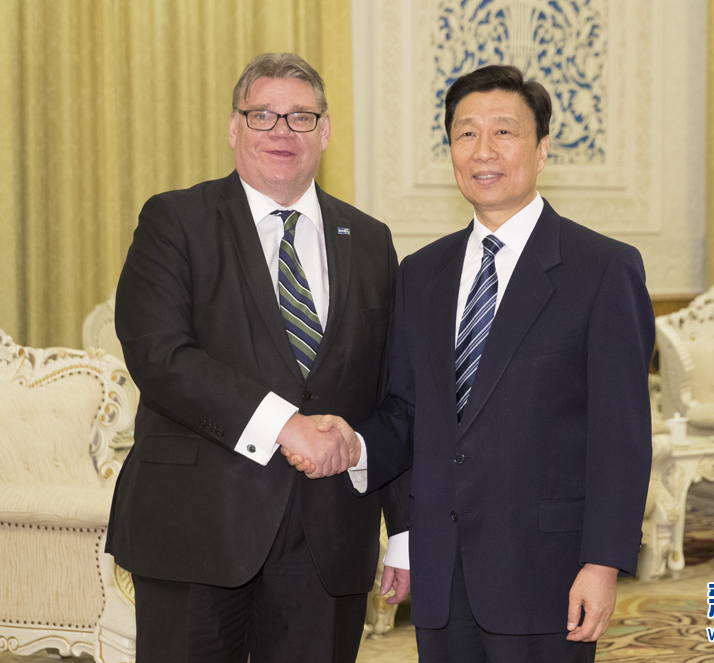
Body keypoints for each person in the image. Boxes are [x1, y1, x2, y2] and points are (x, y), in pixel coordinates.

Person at [287, 64, 655, 662]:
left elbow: (622, 436)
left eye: (504, 132)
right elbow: (408, 412)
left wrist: (603, 563)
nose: (483, 150)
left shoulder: (602, 268)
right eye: (466, 134)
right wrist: (357, 447)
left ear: (542, 149)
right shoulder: (422, 273)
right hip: (442, 571)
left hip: (547, 570)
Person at [106, 52, 409, 663]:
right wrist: (284, 425)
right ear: (233, 127)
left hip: (329, 539)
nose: (281, 131)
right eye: (262, 114)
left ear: (325, 131)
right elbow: (159, 354)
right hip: (198, 528)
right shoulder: (175, 220)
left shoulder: (371, 240)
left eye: (300, 117)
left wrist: (403, 530)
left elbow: (393, 390)